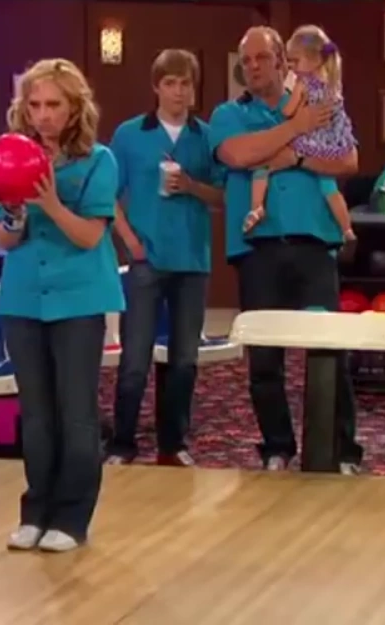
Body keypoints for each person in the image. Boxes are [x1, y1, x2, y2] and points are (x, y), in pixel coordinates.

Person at [209, 26, 363, 475]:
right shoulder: (229, 114)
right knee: (264, 356)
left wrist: (295, 157)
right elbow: (239, 155)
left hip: (314, 243)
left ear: (282, 60)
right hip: (257, 249)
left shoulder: (318, 101)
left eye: (262, 58)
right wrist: (296, 130)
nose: (253, 67)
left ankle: (342, 450)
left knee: (329, 352)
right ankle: (277, 446)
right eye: (246, 61)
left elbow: (348, 160)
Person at [0, 58, 124, 552]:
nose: (43, 115)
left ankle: (71, 518)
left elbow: (89, 236)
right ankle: (36, 512)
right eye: (35, 105)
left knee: (76, 413)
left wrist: (50, 204)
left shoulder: (100, 161)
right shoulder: (9, 156)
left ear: (73, 108)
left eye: (53, 104)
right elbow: (4, 239)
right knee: (37, 413)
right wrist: (15, 212)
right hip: (23, 298)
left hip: (79, 299)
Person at [106, 49, 224, 467]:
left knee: (184, 359)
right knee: (135, 359)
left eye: (185, 83)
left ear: (194, 89)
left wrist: (191, 185)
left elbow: (223, 195)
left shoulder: (207, 137)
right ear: (156, 87)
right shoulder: (129, 135)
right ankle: (122, 443)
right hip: (146, 261)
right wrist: (130, 242)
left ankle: (173, 444)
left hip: (192, 261)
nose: (178, 91)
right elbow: (107, 196)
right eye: (170, 83)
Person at [243, 25, 355, 243]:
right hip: (329, 143)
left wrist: (292, 117)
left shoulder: (303, 85)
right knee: (329, 186)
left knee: (263, 166)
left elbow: (288, 111)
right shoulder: (332, 86)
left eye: (295, 61)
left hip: (307, 142)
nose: (291, 67)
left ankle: (257, 207)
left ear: (314, 60)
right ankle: (347, 228)